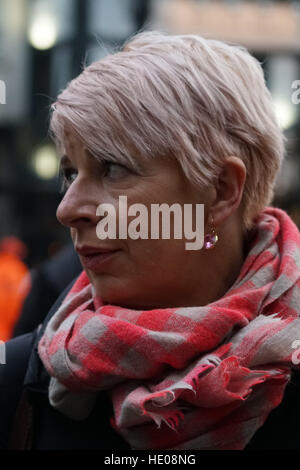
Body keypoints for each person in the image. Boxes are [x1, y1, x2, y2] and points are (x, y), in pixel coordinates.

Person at [1, 30, 300, 450]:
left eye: (112, 169)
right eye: (70, 173)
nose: (67, 209)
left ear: (220, 190)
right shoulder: (16, 382)